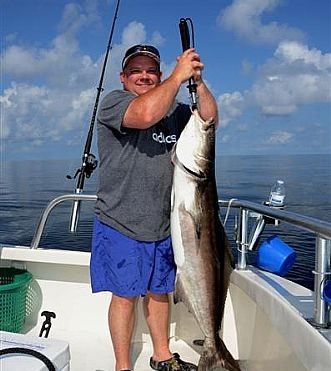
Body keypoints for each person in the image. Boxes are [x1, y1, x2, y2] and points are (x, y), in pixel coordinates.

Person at [90, 44, 218, 371]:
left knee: (160, 292)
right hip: (121, 222)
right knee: (124, 296)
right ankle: (122, 365)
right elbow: (145, 114)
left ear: (159, 75)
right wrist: (177, 77)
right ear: (123, 77)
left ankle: (162, 356)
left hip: (165, 225)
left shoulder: (174, 111)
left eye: (151, 70)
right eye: (136, 70)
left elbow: (209, 119)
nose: (144, 75)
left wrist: (197, 82)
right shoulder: (115, 103)